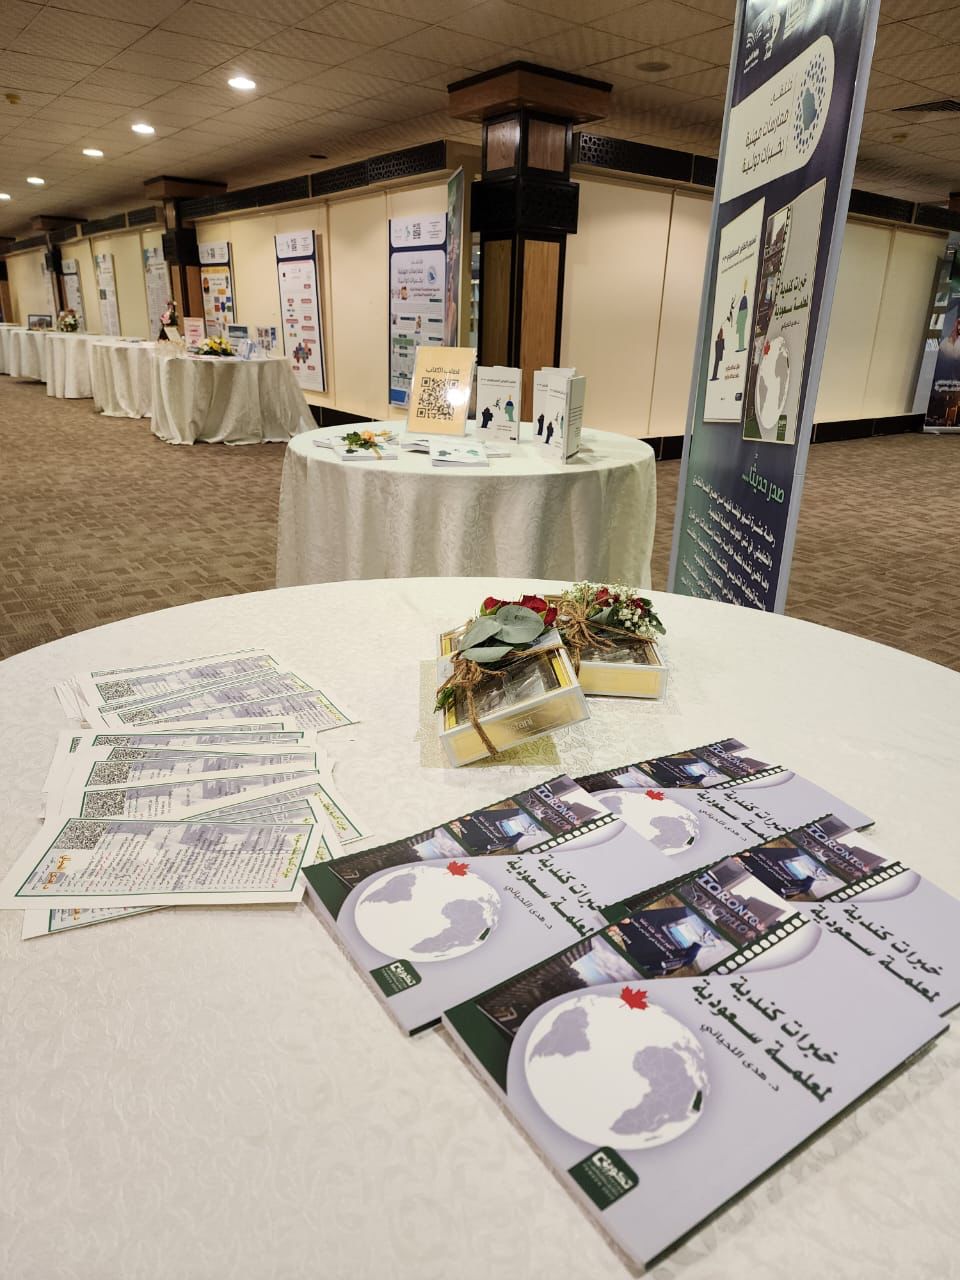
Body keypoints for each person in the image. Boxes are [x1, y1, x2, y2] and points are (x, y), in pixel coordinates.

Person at [736, 281, 749, 350]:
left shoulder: (744, 299)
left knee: (741, 333)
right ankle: (741, 347)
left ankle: (741, 347)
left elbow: (742, 312)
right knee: (741, 333)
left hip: (742, 316)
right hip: (742, 316)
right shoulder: (744, 299)